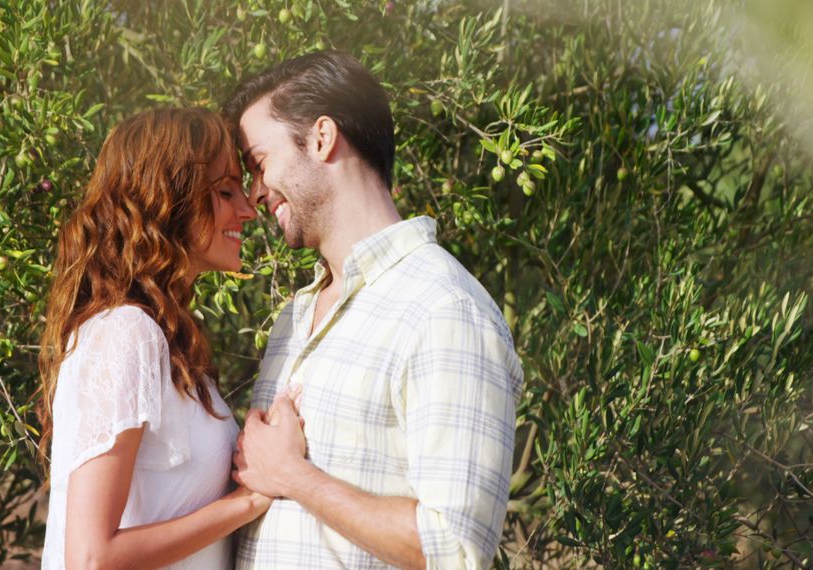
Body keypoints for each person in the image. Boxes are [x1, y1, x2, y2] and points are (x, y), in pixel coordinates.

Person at [225, 51, 523, 569]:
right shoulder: (294, 318)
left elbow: (455, 551)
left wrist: (294, 476)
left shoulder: (443, 309)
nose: (254, 192)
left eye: (259, 163)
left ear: (321, 138)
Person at [36, 108, 297, 569]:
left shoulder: (164, 337)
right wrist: (248, 501)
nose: (248, 209)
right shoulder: (127, 333)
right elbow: (91, 558)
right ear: (167, 200)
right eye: (224, 191)